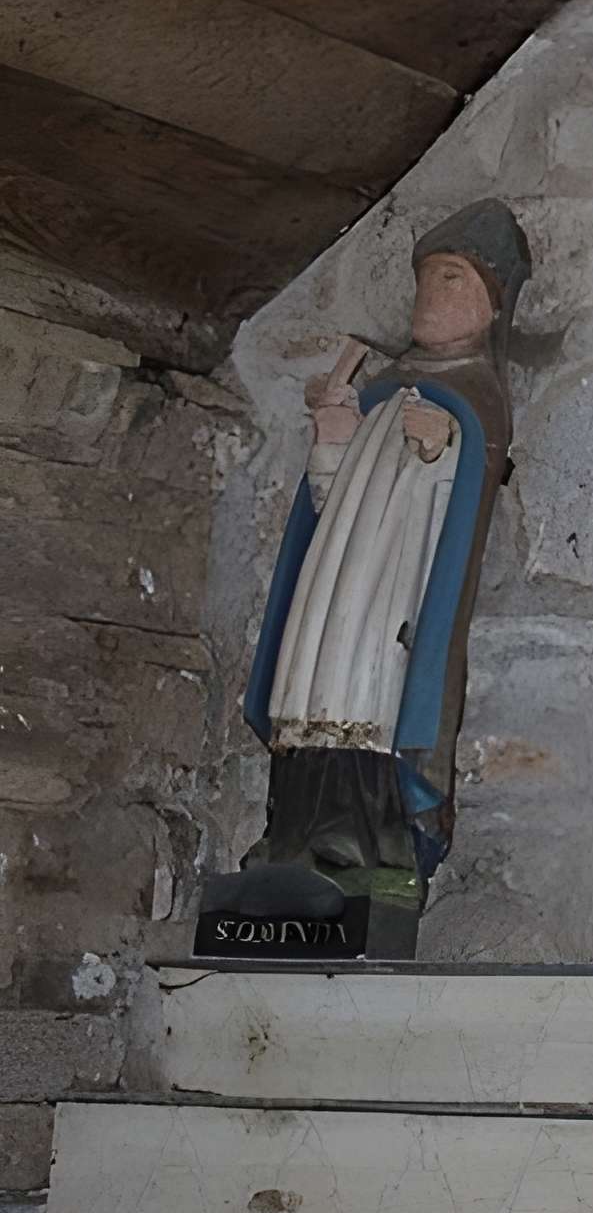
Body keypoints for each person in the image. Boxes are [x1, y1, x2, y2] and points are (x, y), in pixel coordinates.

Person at [207, 202, 527, 955]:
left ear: (489, 303)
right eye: (425, 280)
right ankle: (291, 843)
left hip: (391, 601)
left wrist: (440, 452)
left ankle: (367, 851)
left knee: (365, 705)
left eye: (450, 279)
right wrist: (335, 436)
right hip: (333, 594)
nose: (429, 296)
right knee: (311, 700)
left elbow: (460, 519)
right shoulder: (386, 393)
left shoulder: (475, 402)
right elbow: (328, 503)